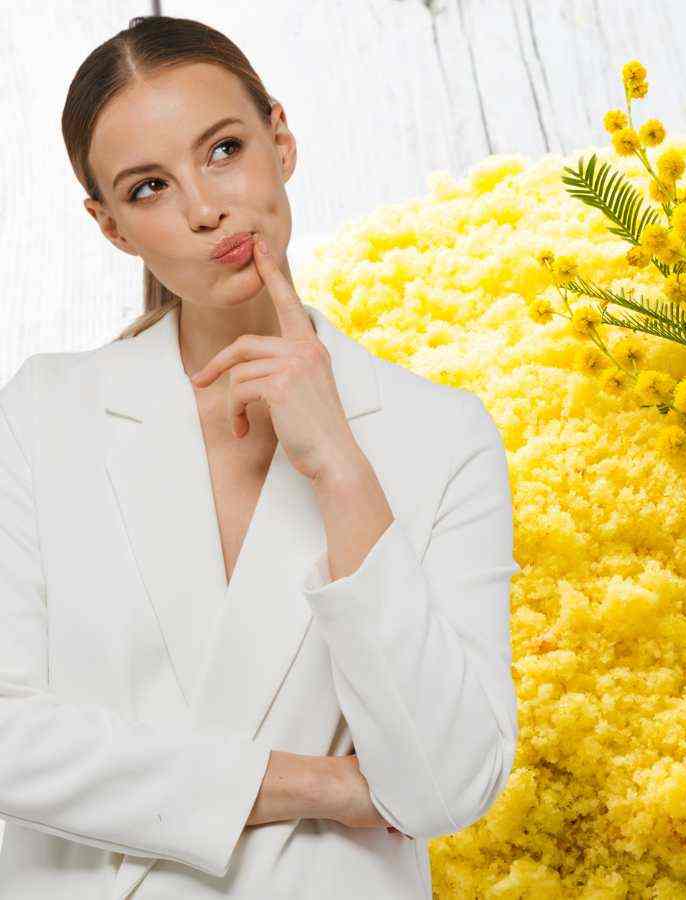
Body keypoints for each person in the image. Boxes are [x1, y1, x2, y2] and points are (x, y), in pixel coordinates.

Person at [0, 14, 520, 899]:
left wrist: (342, 468)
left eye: (225, 148)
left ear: (281, 140)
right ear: (112, 227)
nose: (206, 209)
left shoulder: (442, 435)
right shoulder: (49, 412)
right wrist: (319, 785)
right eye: (149, 187)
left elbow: (442, 785)